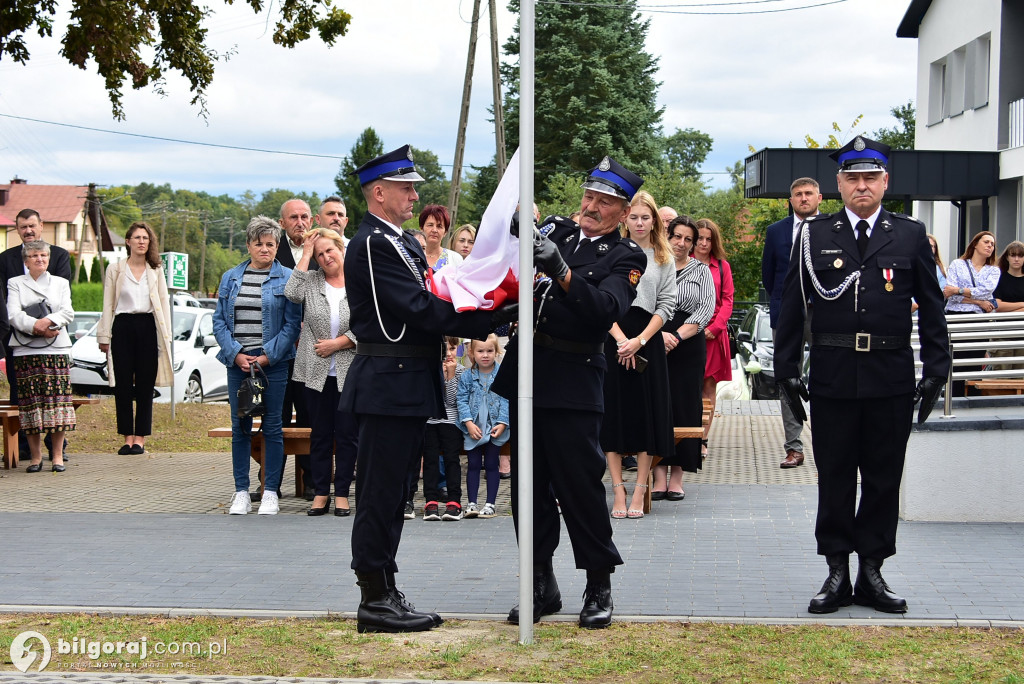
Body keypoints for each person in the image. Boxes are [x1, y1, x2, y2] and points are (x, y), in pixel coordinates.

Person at [774, 135, 950, 615]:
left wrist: (938, 367)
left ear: (885, 182)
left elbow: (933, 309)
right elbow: (792, 306)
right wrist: (785, 370)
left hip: (890, 376)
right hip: (832, 375)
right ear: (839, 184)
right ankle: (836, 570)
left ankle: (872, 569)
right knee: (833, 475)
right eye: (852, 178)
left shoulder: (910, 234)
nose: (862, 186)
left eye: (870, 177)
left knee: (882, 477)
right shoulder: (814, 235)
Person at [338, 145, 502, 634]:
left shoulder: (402, 242)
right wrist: (488, 318)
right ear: (379, 192)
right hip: (387, 383)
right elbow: (417, 308)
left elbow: (435, 296)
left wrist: (483, 302)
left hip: (409, 382)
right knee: (379, 494)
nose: (414, 195)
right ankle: (373, 596)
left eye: (415, 188)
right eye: (406, 188)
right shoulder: (370, 243)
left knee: (396, 495)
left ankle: (386, 588)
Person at [493, 155, 647, 629]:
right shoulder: (556, 229)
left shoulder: (626, 257)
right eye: (590, 196)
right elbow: (508, 238)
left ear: (624, 213)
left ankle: (598, 583)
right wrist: (516, 215)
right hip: (527, 374)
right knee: (528, 490)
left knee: (580, 489)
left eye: (606, 202)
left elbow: (603, 309)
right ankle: (540, 583)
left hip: (575, 379)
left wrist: (561, 271)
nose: (593, 206)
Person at [213, 216, 301, 516]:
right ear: (249, 245)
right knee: (241, 427)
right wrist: (236, 353)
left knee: (274, 427)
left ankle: (270, 492)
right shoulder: (230, 277)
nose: (265, 249)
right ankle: (241, 491)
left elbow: (292, 325)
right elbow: (219, 321)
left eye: (271, 244)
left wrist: (267, 356)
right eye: (259, 244)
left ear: (277, 246)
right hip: (238, 364)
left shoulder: (288, 277)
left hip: (272, 364)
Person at [601, 190, 675, 520]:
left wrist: (640, 341)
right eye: (635, 217)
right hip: (613, 336)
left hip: (648, 340)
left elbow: (667, 305)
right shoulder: (611, 252)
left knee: (646, 415)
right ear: (624, 218)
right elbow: (600, 300)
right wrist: (620, 340)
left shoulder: (663, 257)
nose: (641, 222)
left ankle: (640, 489)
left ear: (655, 221)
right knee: (613, 413)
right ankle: (617, 489)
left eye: (647, 217)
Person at [284, 226, 358, 517]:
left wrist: (338, 344)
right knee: (321, 435)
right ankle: (320, 493)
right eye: (320, 254)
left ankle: (342, 493)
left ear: (341, 249)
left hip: (349, 370)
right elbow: (291, 292)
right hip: (313, 371)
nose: (326, 257)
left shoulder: (359, 281)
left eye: (330, 250)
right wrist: (305, 254)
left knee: (348, 435)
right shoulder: (312, 280)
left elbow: (371, 323)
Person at [96, 221, 173, 455]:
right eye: (137, 237)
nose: (141, 241)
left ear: (150, 243)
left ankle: (140, 438)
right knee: (123, 385)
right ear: (128, 241)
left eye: (145, 238)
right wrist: (104, 335)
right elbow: (108, 304)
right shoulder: (116, 269)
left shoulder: (156, 269)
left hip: (148, 326)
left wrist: (166, 336)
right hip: (122, 326)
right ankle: (127, 437)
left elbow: (162, 302)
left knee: (144, 385)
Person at [0, 208, 71, 460]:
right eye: (22, 227)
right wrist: (32, 326)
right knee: (22, 394)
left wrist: (46, 324)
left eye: (32, 225)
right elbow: (6, 303)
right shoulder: (5, 259)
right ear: (17, 230)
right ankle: (23, 449)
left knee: (54, 396)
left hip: (54, 337)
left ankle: (56, 449)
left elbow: (62, 299)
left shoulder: (60, 255)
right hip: (19, 340)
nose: (28, 231)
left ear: (41, 225)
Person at [653, 215, 715, 500]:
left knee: (684, 404)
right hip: (654, 338)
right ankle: (656, 474)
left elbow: (705, 310)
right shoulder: (653, 264)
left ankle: (677, 474)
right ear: (667, 234)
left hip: (687, 344)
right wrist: (658, 336)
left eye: (688, 239)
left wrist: (675, 336)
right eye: (677, 236)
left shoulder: (701, 270)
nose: (682, 243)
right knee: (656, 403)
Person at [762, 178, 822, 468]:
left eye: (808, 193)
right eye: (798, 194)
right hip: (786, 314)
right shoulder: (776, 232)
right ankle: (793, 447)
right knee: (787, 377)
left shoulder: (832, 229)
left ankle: (827, 440)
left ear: (819, 197)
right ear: (791, 200)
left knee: (828, 374)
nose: (803, 198)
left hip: (824, 314)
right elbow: (769, 276)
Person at [276, 198, 315, 499]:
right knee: (277, 414)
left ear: (312, 220)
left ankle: (312, 480)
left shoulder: (322, 249)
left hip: (313, 350)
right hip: (279, 349)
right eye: (293, 217)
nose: (299, 222)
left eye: (304, 217)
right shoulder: (271, 251)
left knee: (308, 415)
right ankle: (271, 482)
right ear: (282, 223)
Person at [693, 217, 733, 459]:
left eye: (709, 239)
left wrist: (716, 327)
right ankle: (686, 434)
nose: (705, 243)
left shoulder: (722, 266)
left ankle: (702, 439)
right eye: (700, 238)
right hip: (690, 332)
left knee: (709, 387)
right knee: (689, 386)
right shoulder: (683, 263)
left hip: (714, 334)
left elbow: (728, 300)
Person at [458, 334, 509, 519]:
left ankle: (490, 504)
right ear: (472, 353)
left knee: (491, 464)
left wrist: (503, 422)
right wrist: (468, 423)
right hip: (474, 428)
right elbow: (461, 400)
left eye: (490, 351)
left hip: (495, 427)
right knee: (473, 464)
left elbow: (506, 399)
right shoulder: (467, 376)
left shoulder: (502, 374)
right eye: (480, 351)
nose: (485, 355)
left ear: (496, 352)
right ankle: (471, 503)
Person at [944, 230, 1000, 395]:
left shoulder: (993, 270)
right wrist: (979, 301)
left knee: (975, 360)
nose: (990, 246)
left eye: (992, 244)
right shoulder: (957, 264)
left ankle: (973, 399)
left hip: (978, 320)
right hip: (956, 317)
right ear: (975, 244)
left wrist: (959, 290)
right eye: (986, 242)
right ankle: (953, 398)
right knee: (956, 360)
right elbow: (948, 292)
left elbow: (986, 290)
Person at [422, 337, 466, 521]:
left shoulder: (461, 371)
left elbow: (450, 401)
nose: (448, 353)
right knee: (430, 460)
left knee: (451, 460)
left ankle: (454, 501)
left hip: (451, 422)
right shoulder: (429, 368)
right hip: (431, 421)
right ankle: (430, 500)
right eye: (444, 348)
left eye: (453, 348)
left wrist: (449, 376)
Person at [991, 241, 1024, 369]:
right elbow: (998, 306)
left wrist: (1008, 308)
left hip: (1022, 332)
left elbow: (1003, 306)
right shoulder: (999, 278)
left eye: (1020, 256)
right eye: (1013, 255)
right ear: (1007, 257)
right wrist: (1022, 305)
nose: (1016, 259)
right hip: (1002, 333)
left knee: (1020, 381)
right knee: (1000, 378)